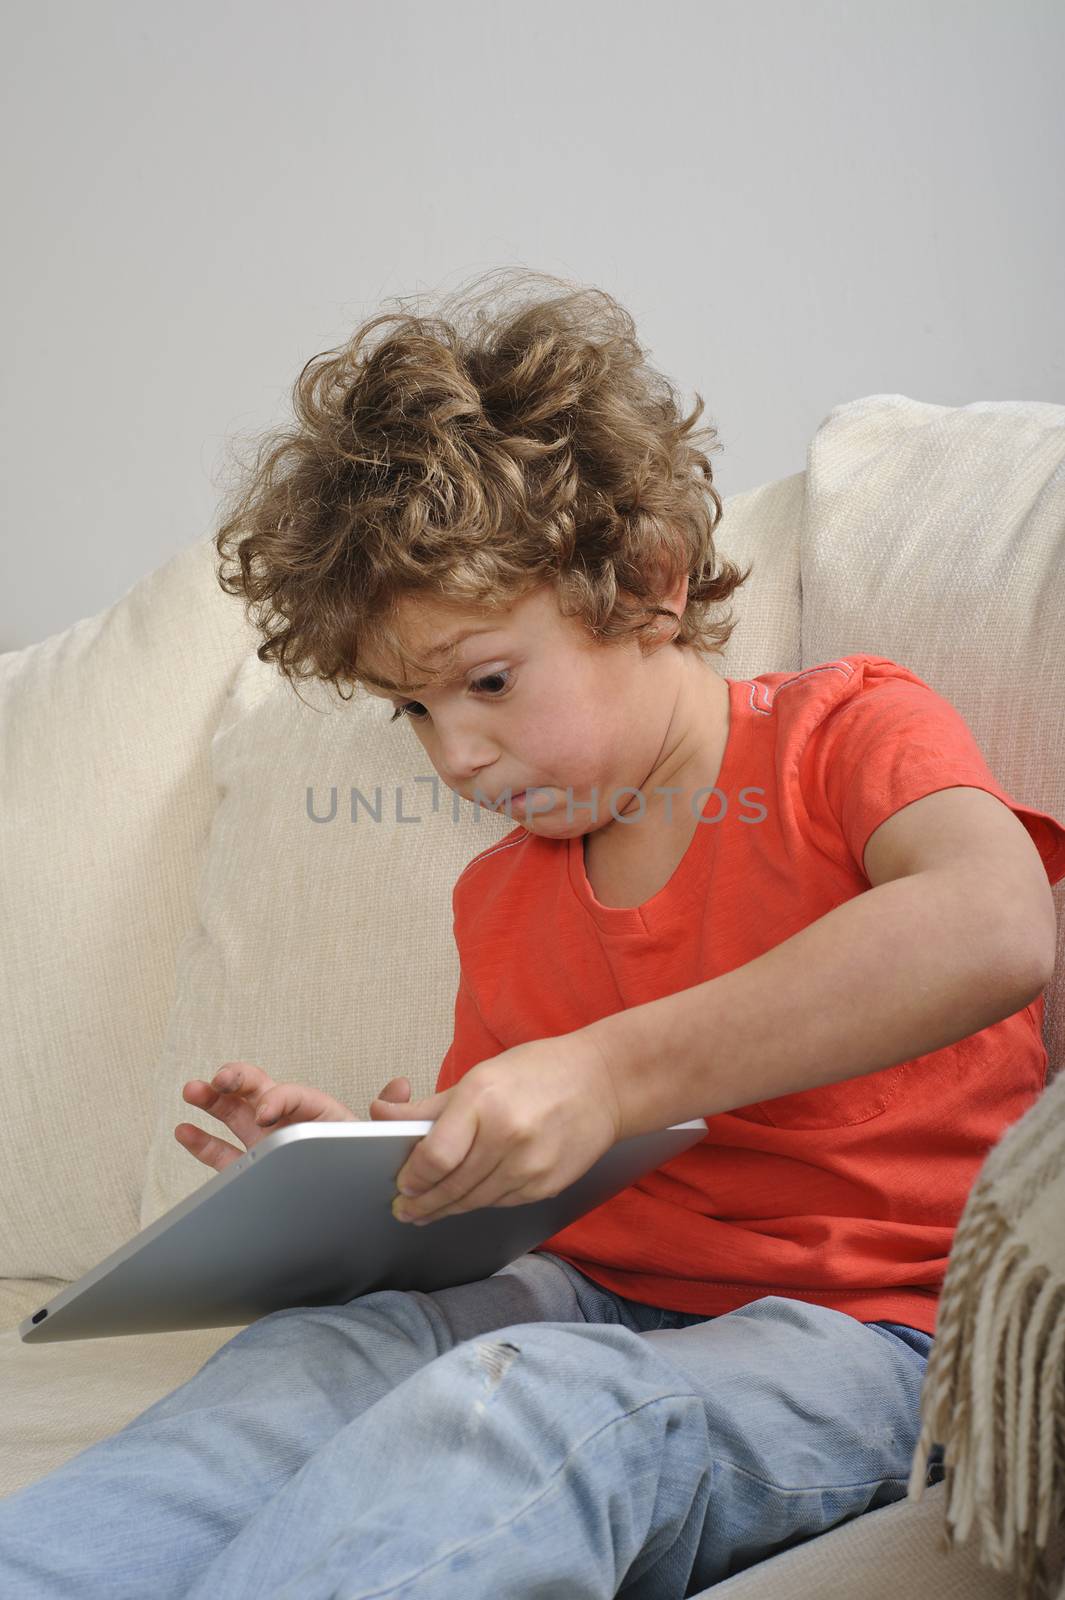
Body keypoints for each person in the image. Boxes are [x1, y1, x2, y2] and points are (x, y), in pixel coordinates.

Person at [2, 267, 1063, 1600]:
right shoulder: (502, 894)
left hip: (863, 1333)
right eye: (412, 711)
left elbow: (992, 923)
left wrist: (606, 1069)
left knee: (521, 1405)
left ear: (650, 585)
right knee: (305, 1365)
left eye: (488, 682)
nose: (455, 751)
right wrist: (383, 1168)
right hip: (588, 1289)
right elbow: (536, 1181)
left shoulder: (841, 735)